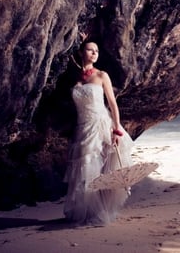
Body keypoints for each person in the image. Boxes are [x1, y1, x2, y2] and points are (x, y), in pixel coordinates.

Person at [63, 38, 134, 226]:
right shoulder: (76, 79)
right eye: (90, 49)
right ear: (81, 52)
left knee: (102, 168)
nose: (94, 53)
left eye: (96, 50)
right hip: (82, 127)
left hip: (101, 124)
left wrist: (117, 128)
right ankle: (88, 212)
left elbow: (112, 103)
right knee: (85, 171)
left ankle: (101, 211)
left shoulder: (102, 75)